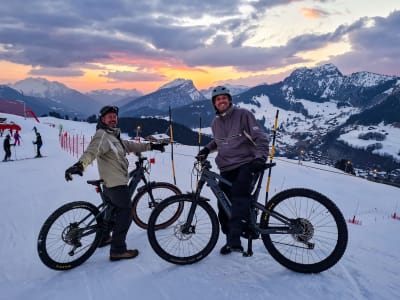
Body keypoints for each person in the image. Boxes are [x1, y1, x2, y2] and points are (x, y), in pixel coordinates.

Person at [64, 105, 167, 262]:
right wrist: (80, 165)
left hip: (111, 182)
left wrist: (152, 145)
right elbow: (91, 151)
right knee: (126, 213)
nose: (113, 119)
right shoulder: (102, 135)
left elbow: (130, 145)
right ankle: (118, 250)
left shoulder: (113, 136)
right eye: (109, 117)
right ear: (102, 119)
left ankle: (104, 238)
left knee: (111, 212)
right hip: (116, 183)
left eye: (114, 116)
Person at [197, 86, 269, 254]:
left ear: (229, 100)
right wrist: (207, 149)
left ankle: (235, 238)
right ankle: (230, 237)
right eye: (217, 99)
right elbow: (219, 142)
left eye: (224, 98)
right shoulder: (216, 123)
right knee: (223, 205)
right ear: (214, 104)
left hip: (246, 164)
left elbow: (260, 138)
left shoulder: (243, 115)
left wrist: (260, 158)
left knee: (239, 194)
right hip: (226, 167)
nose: (221, 101)